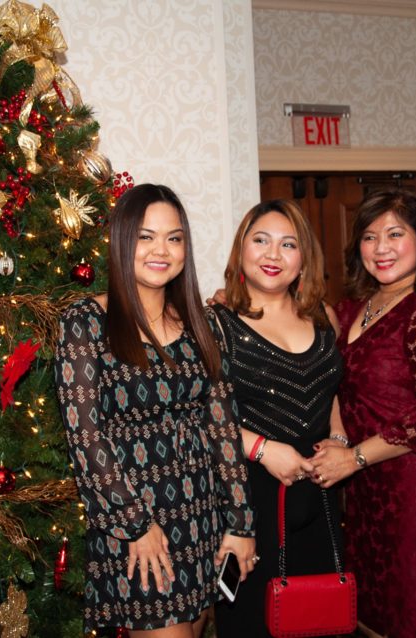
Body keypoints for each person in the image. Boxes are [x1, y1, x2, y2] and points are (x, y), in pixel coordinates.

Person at [54, 183, 256, 637]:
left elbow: (223, 430)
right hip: (138, 527)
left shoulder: (203, 324)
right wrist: (135, 525)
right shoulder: (85, 323)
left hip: (203, 517)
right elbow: (86, 439)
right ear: (122, 242)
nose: (161, 250)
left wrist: (241, 522)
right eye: (145, 237)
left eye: (174, 237)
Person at [309, 189, 416, 638]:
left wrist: (355, 456)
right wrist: (341, 443)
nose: (380, 247)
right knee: (372, 613)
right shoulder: (352, 308)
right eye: (369, 237)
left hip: (414, 488)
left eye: (395, 234)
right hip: (364, 485)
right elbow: (335, 384)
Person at [209, 200, 344, 638]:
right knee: (252, 622)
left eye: (288, 244)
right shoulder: (214, 323)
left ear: (304, 258)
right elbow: (196, 416)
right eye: (261, 240)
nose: (273, 255)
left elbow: (331, 388)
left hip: (320, 495)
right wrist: (263, 449)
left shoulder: (324, 318)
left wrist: (339, 436)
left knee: (319, 618)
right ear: (241, 250)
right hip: (245, 498)